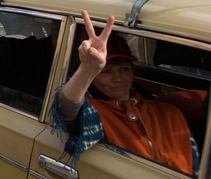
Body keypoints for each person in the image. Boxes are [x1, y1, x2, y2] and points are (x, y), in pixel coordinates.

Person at [51, 11, 198, 175]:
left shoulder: (170, 113)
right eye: (106, 71)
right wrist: (87, 70)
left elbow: (194, 166)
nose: (118, 78)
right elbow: (65, 110)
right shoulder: (93, 113)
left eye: (124, 69)